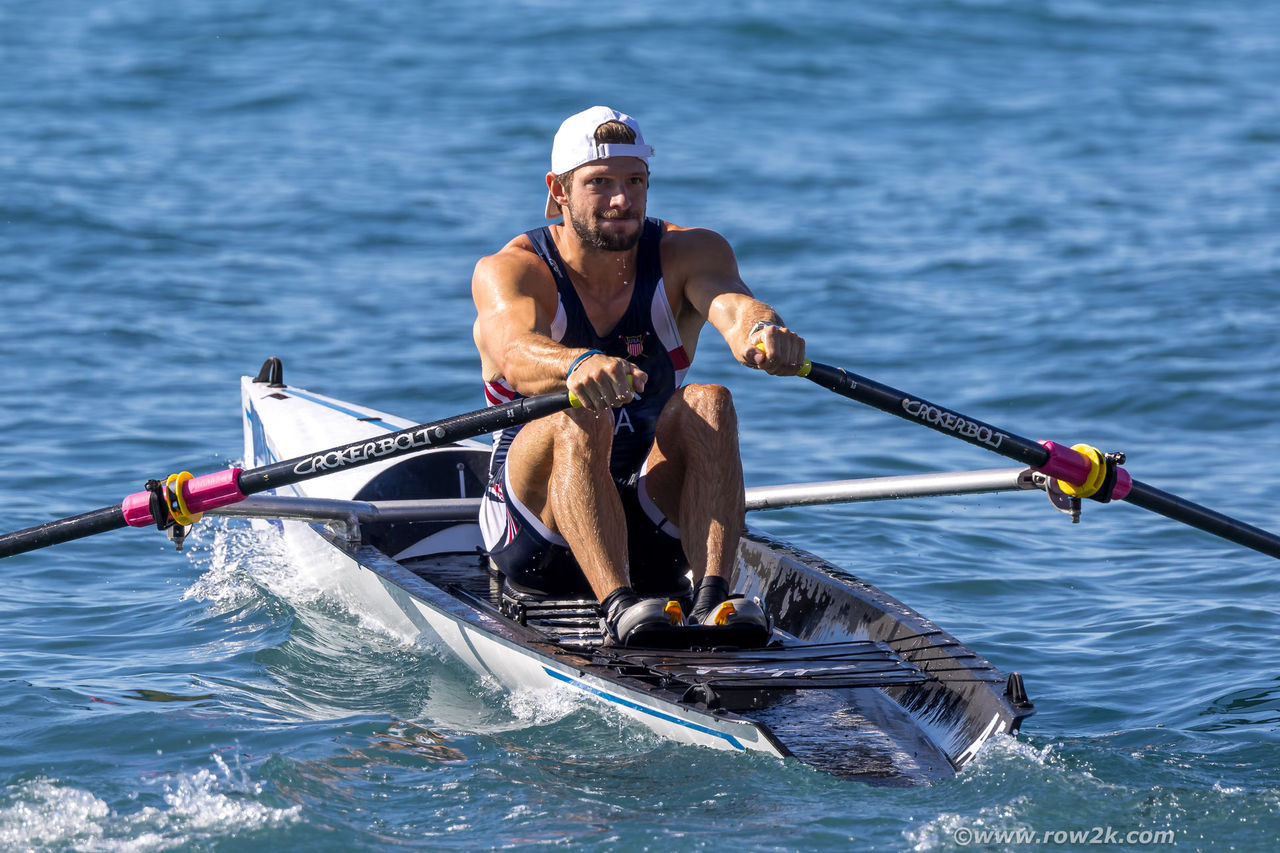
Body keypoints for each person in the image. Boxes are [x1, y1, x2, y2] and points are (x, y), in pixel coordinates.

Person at [472, 106, 806, 644]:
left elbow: (734, 305)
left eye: (635, 181)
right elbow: (514, 352)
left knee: (710, 400)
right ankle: (619, 607)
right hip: (540, 537)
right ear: (559, 190)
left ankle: (712, 600)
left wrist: (763, 331)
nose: (621, 200)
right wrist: (577, 364)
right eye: (599, 184)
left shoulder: (689, 252)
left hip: (651, 527)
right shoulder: (513, 269)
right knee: (577, 413)